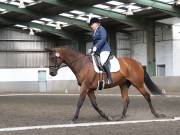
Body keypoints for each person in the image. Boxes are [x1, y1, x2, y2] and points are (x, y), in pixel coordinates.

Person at [88, 17, 113, 85]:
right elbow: (94, 43)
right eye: (91, 25)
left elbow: (103, 39)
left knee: (102, 62)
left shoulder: (102, 29)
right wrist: (92, 48)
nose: (91, 26)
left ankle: (109, 78)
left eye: (92, 24)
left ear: (97, 24)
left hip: (104, 49)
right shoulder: (94, 32)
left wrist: (96, 46)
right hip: (98, 50)